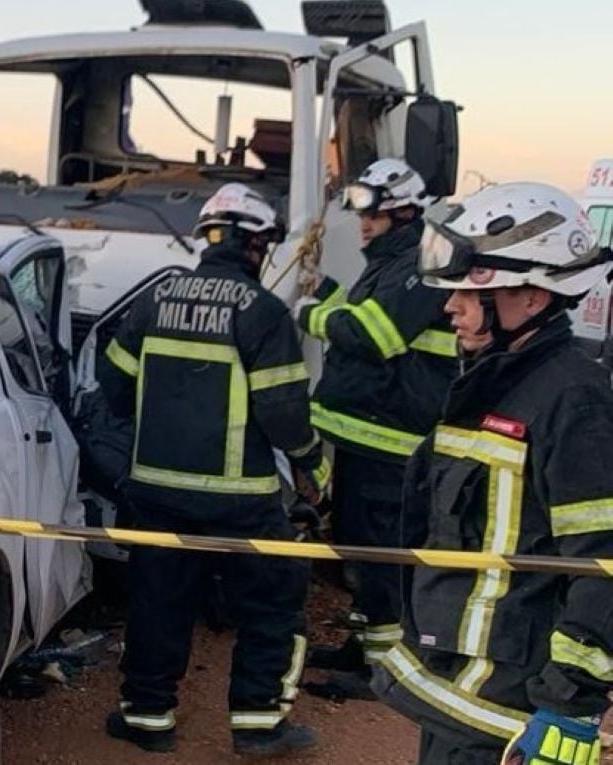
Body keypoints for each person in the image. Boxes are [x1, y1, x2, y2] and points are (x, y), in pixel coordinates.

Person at [372, 181, 613, 764]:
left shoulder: (572, 401)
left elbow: (603, 563)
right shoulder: (490, 385)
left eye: (467, 290)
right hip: (459, 694)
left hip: (512, 713)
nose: (449, 306)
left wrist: (567, 707)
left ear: (532, 296)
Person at [100, 183, 330, 757]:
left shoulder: (154, 300)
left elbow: (113, 388)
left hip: (155, 491)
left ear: (207, 238)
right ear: (256, 247)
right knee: (274, 603)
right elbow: (283, 413)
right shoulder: (263, 312)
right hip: (240, 499)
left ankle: (148, 717)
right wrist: (310, 469)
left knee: (158, 601)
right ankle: (257, 725)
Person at [294, 159, 458, 698]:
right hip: (364, 433)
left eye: (374, 215)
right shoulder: (388, 261)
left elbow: (377, 334)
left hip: (390, 439)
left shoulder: (416, 264)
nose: (363, 225)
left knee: (381, 558)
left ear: (404, 211)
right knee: (358, 550)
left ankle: (382, 672)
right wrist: (321, 292)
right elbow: (357, 311)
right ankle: (361, 648)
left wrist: (310, 317)